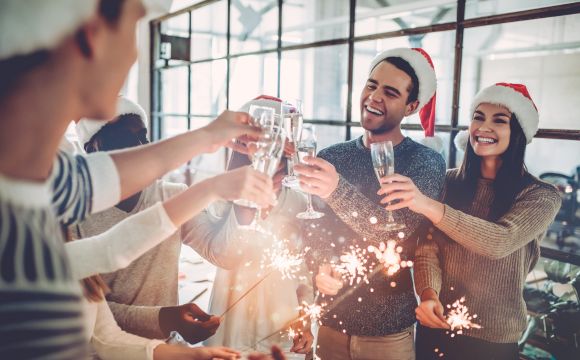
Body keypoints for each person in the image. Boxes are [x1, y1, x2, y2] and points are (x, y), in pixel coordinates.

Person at [0, 1, 265, 358]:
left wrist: (214, 163)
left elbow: (114, 247)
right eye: (135, 26)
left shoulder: (48, 180)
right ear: (92, 37)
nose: (135, 53)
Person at [379, 83, 562, 359]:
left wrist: (428, 205)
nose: (484, 127)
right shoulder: (448, 182)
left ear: (519, 134)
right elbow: (427, 248)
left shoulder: (541, 195)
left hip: (493, 341)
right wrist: (428, 295)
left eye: (499, 120)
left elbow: (499, 241)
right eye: (478, 117)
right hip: (435, 327)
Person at [294, 48, 446, 360]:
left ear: (411, 106)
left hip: (387, 335)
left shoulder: (425, 162)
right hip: (330, 325)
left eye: (390, 92)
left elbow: (392, 235)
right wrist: (321, 264)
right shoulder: (333, 156)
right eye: (371, 85)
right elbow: (314, 229)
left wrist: (336, 189)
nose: (374, 96)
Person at [196, 96, 314, 357]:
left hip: (282, 335)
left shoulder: (297, 201)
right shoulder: (222, 198)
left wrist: (305, 320)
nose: (274, 159)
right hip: (230, 336)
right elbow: (225, 254)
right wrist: (246, 202)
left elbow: (304, 273)